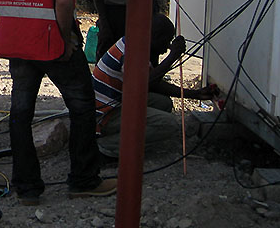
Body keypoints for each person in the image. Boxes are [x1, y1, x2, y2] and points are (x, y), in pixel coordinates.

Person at [0, 0, 117, 206]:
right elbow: (64, 0)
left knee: (20, 113)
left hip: (19, 43)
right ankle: (84, 180)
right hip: (50, 42)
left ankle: (26, 188)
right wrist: (65, 39)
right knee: (82, 107)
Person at [93, 13, 219, 158]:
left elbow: (154, 84)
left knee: (163, 103)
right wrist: (173, 56)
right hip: (105, 115)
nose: (167, 47)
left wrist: (194, 94)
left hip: (116, 103)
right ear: (154, 36)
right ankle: (106, 147)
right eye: (166, 41)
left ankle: (128, 138)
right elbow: (147, 83)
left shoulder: (135, 42)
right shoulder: (132, 52)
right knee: (169, 124)